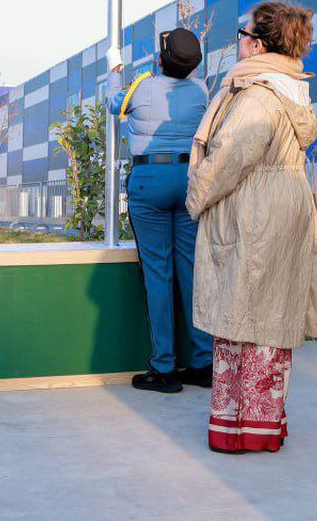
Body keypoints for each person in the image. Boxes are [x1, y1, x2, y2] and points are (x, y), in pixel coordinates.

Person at [187, 0, 317, 455]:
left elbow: (228, 157)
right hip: (284, 203)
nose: (238, 41)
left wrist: (196, 196)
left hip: (257, 209)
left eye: (242, 34)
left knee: (243, 311)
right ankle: (262, 425)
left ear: (259, 43)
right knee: (269, 313)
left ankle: (239, 429)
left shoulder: (259, 95)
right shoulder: (289, 88)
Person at [106, 27, 214, 394]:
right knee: (191, 271)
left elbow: (111, 103)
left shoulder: (142, 87)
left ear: (161, 59)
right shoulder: (201, 92)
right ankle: (202, 362)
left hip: (149, 181)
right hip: (189, 180)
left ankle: (165, 369)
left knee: (157, 273)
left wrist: (115, 69)